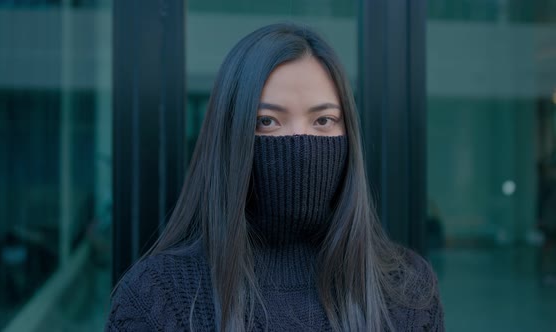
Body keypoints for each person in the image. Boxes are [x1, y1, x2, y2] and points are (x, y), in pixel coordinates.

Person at [105, 23, 444, 332]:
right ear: (231, 136)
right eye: (267, 121)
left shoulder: (407, 292)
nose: (300, 143)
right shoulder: (156, 298)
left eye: (323, 121)